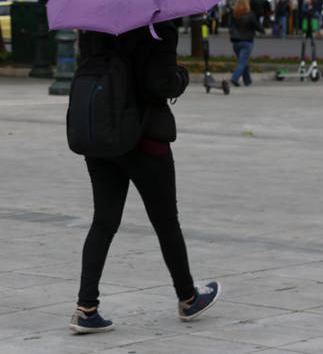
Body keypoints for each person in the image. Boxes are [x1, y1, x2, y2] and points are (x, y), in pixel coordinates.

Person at [70, 22, 221, 334]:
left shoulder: (94, 27)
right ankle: (188, 299)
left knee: (103, 221)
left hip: (104, 136)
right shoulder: (157, 28)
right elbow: (161, 82)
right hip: (145, 139)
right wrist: (181, 76)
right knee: (166, 223)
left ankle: (86, 308)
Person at [229, 0, 261, 87]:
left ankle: (247, 80)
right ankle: (234, 79)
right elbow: (257, 26)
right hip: (247, 42)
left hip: (236, 42)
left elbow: (230, 27)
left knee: (243, 60)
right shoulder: (250, 15)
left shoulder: (234, 15)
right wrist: (262, 30)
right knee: (242, 61)